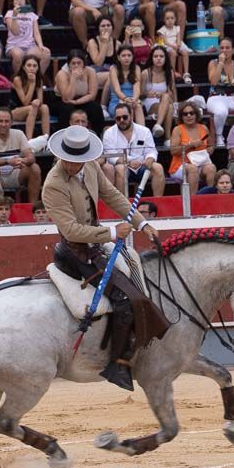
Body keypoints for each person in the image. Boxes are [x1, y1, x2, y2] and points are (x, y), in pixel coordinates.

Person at [41, 124, 167, 390]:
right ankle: (117, 364)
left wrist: (142, 224)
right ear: (61, 156)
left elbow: (113, 196)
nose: (76, 165)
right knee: (123, 299)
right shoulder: (52, 185)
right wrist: (111, 231)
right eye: (71, 161)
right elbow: (71, 230)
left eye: (80, 161)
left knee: (135, 268)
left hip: (95, 246)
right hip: (75, 252)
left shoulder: (91, 167)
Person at [0, 107, 42, 199]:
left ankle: (33, 209)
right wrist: (8, 161)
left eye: (7, 121)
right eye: (0, 121)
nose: (3, 124)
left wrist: (23, 160)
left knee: (34, 168)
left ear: (12, 122)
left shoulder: (19, 134)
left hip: (16, 172)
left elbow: (31, 157)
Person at [102, 102, 165, 195]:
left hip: (142, 165)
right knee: (120, 169)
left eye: (125, 117)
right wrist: (128, 162)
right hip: (123, 166)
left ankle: (158, 202)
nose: (122, 120)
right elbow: (111, 156)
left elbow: (151, 151)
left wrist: (149, 160)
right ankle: (122, 205)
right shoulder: (109, 133)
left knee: (158, 167)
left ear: (131, 116)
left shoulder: (144, 131)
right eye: (118, 118)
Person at [168, 101, 214, 193]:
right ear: (181, 117)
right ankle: (192, 200)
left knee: (211, 168)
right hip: (180, 165)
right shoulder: (177, 130)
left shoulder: (203, 128)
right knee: (193, 168)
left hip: (201, 162)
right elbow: (173, 151)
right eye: (185, 114)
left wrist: (210, 149)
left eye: (191, 113)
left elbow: (211, 144)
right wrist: (190, 145)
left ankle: (210, 195)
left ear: (196, 115)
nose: (189, 116)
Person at [55, 49, 104, 129]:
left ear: (84, 63)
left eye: (79, 63)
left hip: (82, 100)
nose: (76, 66)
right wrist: (73, 79)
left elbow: (92, 95)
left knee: (96, 108)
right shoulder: (62, 74)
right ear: (68, 64)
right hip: (62, 101)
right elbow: (67, 98)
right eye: (73, 63)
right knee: (67, 109)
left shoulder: (90, 71)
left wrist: (77, 102)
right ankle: (64, 136)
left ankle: (96, 135)